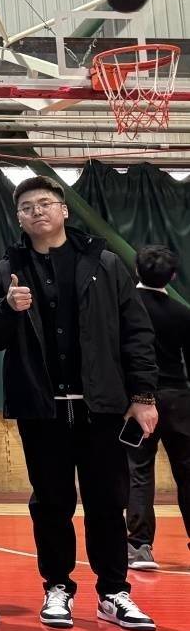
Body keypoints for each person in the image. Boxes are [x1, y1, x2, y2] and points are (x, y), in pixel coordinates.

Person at [0, 174, 158, 631]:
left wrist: (142, 396)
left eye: (45, 203)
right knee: (51, 503)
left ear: (64, 210)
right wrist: (6, 307)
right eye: (27, 207)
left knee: (107, 502)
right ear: (18, 218)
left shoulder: (105, 263)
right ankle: (57, 586)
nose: (37, 211)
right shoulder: (5, 270)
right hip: (41, 409)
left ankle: (113, 592)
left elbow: (136, 333)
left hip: (102, 407)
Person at [126, 244, 190, 571]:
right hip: (179, 398)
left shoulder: (127, 308)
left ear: (136, 270)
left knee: (138, 471)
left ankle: (139, 546)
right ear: (173, 276)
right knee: (188, 473)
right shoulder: (182, 313)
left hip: (139, 399)